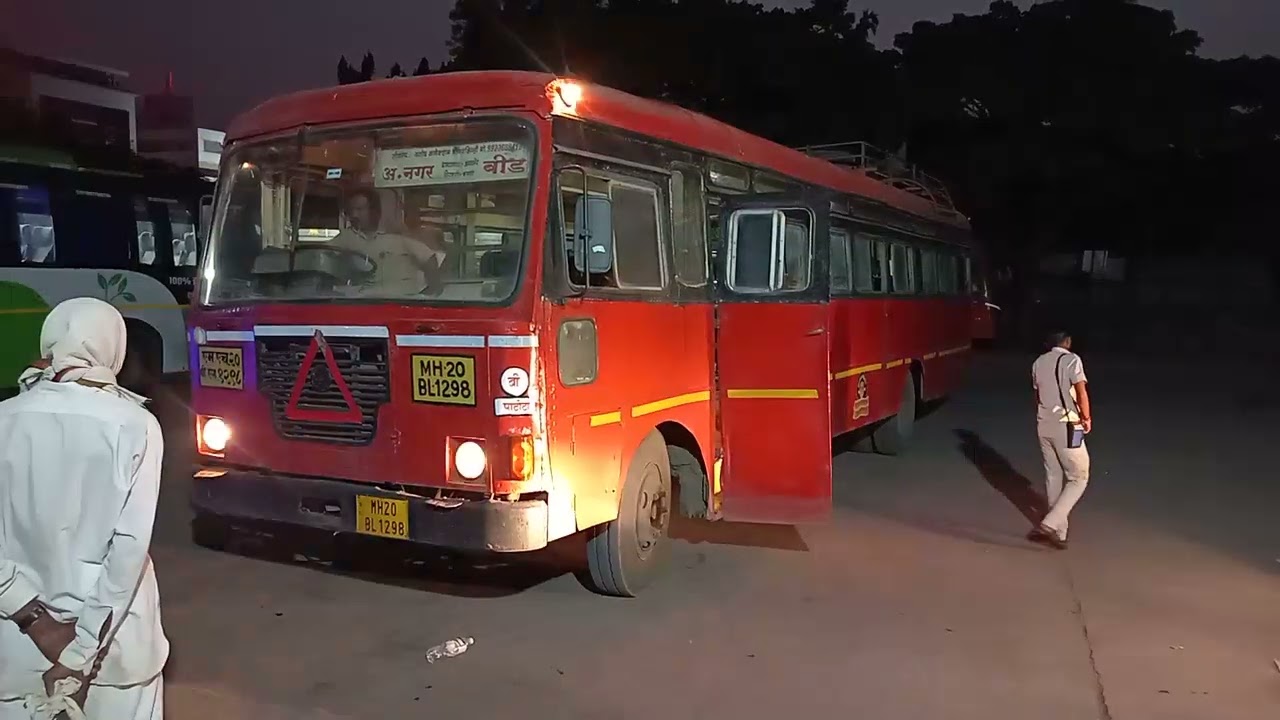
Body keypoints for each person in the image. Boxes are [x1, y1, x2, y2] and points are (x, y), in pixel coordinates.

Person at [0, 298, 167, 720]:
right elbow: (126, 552)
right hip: (115, 657)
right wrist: (80, 651)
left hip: (18, 654)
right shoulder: (135, 425)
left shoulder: (4, 419)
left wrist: (36, 620)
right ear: (115, 349)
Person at [1029, 330, 1092, 549]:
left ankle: (1059, 532)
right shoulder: (1072, 360)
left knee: (1053, 476)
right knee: (1078, 477)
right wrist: (1086, 418)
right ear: (1066, 342)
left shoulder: (1038, 363)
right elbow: (1081, 391)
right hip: (1067, 425)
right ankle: (1048, 524)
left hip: (1043, 425)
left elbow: (1037, 396)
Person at [330, 188, 446, 294]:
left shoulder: (398, 236)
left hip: (403, 304)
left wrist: (431, 290)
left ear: (375, 211)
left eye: (360, 209)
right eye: (351, 211)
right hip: (362, 304)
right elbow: (320, 257)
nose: (354, 215)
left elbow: (428, 257)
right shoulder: (344, 238)